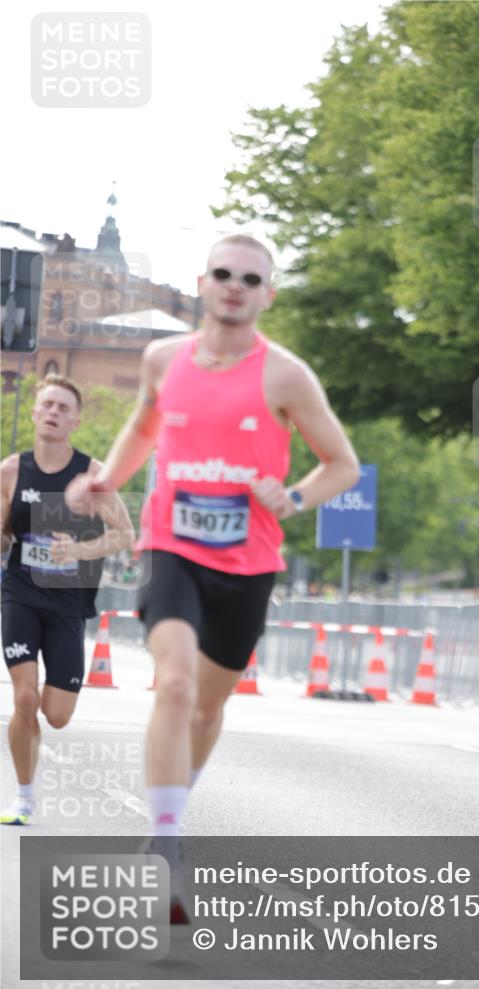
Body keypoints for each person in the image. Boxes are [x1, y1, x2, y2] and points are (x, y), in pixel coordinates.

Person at [66, 234, 360, 919]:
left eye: (250, 279)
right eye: (223, 273)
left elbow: (341, 464)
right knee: (173, 684)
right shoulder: (162, 359)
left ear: (267, 296)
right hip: (172, 545)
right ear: (202, 283)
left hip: (247, 561)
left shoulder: (286, 375)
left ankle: (168, 820)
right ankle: (167, 847)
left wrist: (295, 497)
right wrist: (108, 478)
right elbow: (143, 428)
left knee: (207, 706)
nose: (234, 286)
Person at [0, 374, 135, 825]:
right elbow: (3, 535)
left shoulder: (92, 475)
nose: (53, 413)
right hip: (20, 592)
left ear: (76, 421)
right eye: (47, 405)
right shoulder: (11, 471)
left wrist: (77, 550)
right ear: (34, 413)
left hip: (68, 601)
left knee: (56, 715)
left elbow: (124, 534)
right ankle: (23, 797)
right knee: (24, 697)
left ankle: (36, 732)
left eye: (63, 408)